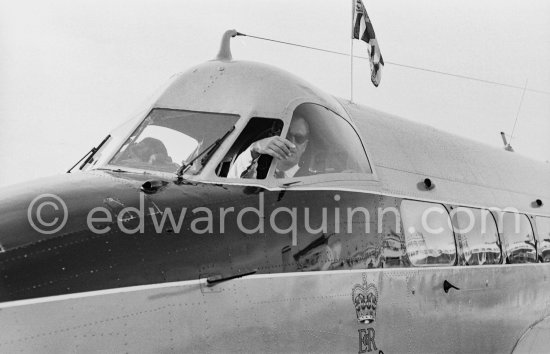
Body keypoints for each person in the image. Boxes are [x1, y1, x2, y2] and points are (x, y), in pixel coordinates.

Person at [228, 115, 310, 179]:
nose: (292, 142)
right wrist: (255, 148)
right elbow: (230, 181)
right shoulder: (254, 173)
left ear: (305, 146)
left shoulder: (312, 181)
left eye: (299, 138)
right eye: (286, 136)